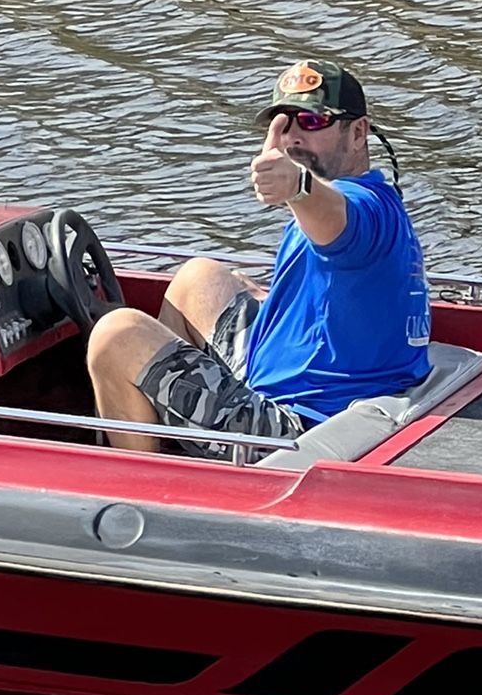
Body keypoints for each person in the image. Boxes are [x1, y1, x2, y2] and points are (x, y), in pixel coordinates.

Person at [87, 59, 430, 458]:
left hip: (294, 425)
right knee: (198, 278)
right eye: (285, 123)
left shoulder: (359, 210)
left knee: (117, 333)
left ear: (358, 132)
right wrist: (299, 191)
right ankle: (172, 435)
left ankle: (137, 491)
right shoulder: (367, 197)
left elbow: (336, 218)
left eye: (312, 121)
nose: (294, 137)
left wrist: (297, 186)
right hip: (303, 381)